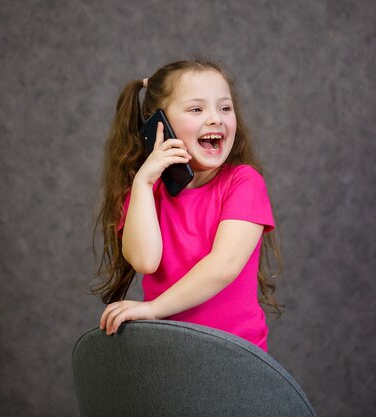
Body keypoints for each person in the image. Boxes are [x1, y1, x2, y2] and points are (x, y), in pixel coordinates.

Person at [93, 59, 282, 351]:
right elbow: (145, 261)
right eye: (196, 109)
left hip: (235, 355)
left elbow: (223, 266)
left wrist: (153, 309)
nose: (216, 118)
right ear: (160, 125)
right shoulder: (145, 194)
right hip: (167, 351)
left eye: (225, 108)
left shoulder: (244, 182)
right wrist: (143, 184)